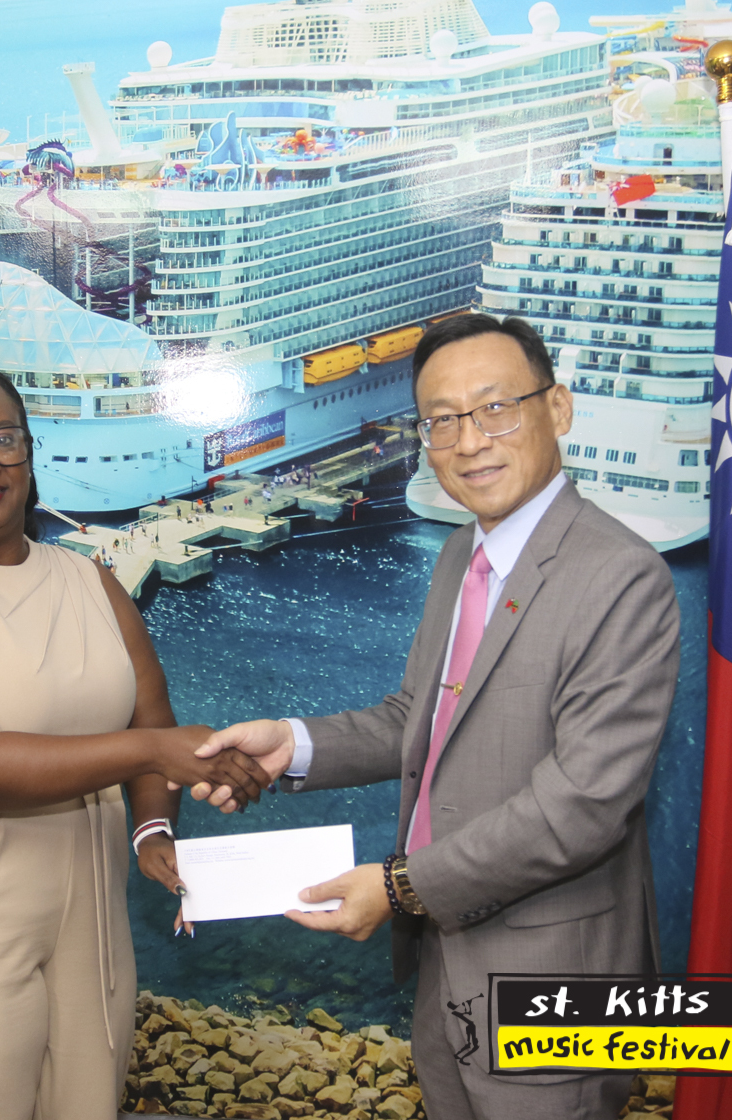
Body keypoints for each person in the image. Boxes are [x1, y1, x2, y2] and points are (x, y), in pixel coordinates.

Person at [195, 316, 679, 1120]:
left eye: (496, 408)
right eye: (442, 420)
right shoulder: (463, 553)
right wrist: (292, 744)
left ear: (557, 408)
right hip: (445, 964)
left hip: (558, 979)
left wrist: (399, 888)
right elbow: (419, 717)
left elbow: (583, 805)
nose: (470, 441)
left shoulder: (622, 576)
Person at [0, 362, 268, 1120]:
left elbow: (151, 718)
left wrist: (153, 827)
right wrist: (151, 754)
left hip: (91, 928)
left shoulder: (90, 580)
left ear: (30, 452)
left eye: (3, 438)